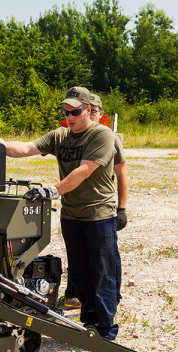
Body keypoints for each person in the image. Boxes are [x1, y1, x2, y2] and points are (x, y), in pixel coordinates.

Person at [2, 86, 120, 340]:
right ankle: (89, 324)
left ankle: (106, 329)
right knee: (80, 272)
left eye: (75, 111)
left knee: (102, 272)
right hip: (72, 215)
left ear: (89, 110)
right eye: (66, 111)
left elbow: (84, 171)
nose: (69, 116)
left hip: (98, 214)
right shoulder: (60, 136)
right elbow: (25, 148)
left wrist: (52, 190)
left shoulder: (102, 135)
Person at [64, 93, 128, 309]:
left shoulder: (107, 137)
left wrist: (121, 208)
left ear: (100, 114)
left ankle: (111, 300)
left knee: (107, 262)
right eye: (86, 110)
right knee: (78, 260)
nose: (89, 114)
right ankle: (74, 294)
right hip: (75, 211)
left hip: (101, 210)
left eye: (93, 111)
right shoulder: (74, 136)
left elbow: (121, 173)